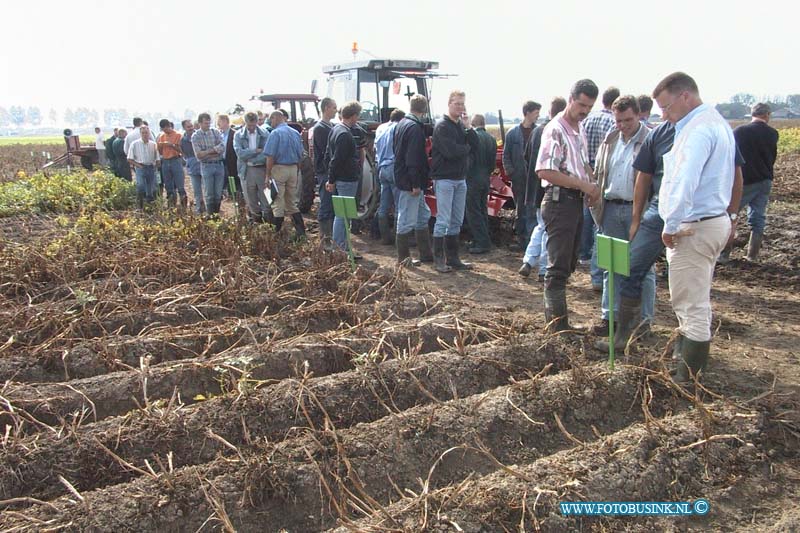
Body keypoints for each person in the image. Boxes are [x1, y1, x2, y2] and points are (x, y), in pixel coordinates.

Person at [653, 72, 736, 383]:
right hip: (712, 222)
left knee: (691, 303)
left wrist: (671, 224)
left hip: (695, 226)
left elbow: (686, 181)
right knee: (693, 298)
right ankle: (687, 366)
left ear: (684, 96)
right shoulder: (715, 123)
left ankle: (688, 377)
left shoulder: (698, 131)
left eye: (666, 107)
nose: (664, 115)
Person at [537, 79, 601, 332]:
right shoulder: (555, 129)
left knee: (568, 262)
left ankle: (559, 324)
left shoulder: (579, 128)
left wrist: (592, 182)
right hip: (559, 200)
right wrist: (584, 186)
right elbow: (545, 171)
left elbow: (582, 163)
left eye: (589, 106)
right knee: (558, 267)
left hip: (572, 201)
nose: (584, 110)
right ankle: (557, 327)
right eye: (581, 104)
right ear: (571, 98)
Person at [588, 95, 655, 336]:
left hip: (640, 210)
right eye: (618, 120)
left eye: (627, 120)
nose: (623, 125)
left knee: (642, 268)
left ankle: (643, 321)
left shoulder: (650, 139)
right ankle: (610, 317)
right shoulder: (611, 139)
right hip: (611, 208)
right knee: (611, 265)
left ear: (638, 115)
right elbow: (600, 172)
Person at [519, 97, 567, 281]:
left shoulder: (536, 131)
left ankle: (529, 260)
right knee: (550, 229)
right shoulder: (558, 132)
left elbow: (526, 157)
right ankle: (544, 269)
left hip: (535, 188)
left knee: (541, 226)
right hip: (551, 188)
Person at [430, 90, 478, 272]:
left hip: (460, 178)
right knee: (443, 219)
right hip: (445, 179)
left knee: (457, 220)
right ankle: (439, 259)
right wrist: (466, 148)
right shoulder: (442, 126)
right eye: (457, 103)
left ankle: (453, 258)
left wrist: (468, 128)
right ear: (449, 104)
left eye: (462, 104)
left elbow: (475, 146)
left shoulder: (460, 126)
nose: (460, 107)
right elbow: (451, 152)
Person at [579, 87, 620, 284]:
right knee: (601, 225)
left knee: (587, 215)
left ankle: (583, 253)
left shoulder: (586, 120)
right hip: (603, 175)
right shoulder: (613, 122)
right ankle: (598, 273)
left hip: (587, 172)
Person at [731, 102, 779, 262]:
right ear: (767, 115)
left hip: (745, 180)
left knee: (731, 214)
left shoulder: (740, 131)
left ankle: (723, 253)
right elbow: (772, 156)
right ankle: (752, 255)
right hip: (765, 180)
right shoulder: (773, 133)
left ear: (752, 114)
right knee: (758, 217)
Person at [394, 94, 434, 266]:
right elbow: (413, 159)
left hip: (404, 178)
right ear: (424, 109)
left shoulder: (401, 124)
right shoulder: (415, 129)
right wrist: (415, 184)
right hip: (410, 182)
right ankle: (403, 259)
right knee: (406, 219)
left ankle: (426, 254)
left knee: (422, 215)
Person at [503, 101, 541, 250]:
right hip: (519, 178)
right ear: (527, 113)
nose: (538, 116)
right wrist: (511, 173)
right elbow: (506, 156)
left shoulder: (538, 132)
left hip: (534, 179)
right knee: (520, 210)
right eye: (536, 112)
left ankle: (531, 243)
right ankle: (521, 240)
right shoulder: (513, 133)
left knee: (532, 210)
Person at [325, 101, 362, 254]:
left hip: (342, 178)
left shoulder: (335, 130)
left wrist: (331, 178)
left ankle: (342, 245)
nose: (358, 119)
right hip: (346, 179)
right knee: (343, 215)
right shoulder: (345, 135)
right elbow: (337, 160)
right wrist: (331, 179)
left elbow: (329, 155)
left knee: (343, 214)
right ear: (353, 116)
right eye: (358, 116)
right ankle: (340, 247)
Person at [264, 110, 305, 238]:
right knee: (291, 201)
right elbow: (300, 155)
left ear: (275, 118)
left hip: (279, 168)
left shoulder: (275, 133)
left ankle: (276, 233)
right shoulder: (295, 133)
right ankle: (300, 232)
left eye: (271, 120)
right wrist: (296, 171)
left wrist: (267, 175)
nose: (271, 123)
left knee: (277, 201)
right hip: (293, 168)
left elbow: (270, 156)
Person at [464, 113, 497, 254]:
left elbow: (469, 160)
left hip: (473, 178)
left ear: (473, 123)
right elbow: (492, 163)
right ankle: (483, 239)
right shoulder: (492, 139)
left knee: (473, 211)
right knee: (483, 209)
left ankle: (482, 242)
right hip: (485, 178)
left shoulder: (473, 137)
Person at [234, 111, 272, 223]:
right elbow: (240, 153)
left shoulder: (265, 134)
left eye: (253, 125)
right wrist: (255, 151)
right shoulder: (238, 135)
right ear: (245, 122)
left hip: (262, 170)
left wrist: (251, 158)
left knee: (266, 199)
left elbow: (267, 154)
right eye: (249, 125)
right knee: (251, 200)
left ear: (257, 122)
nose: (251, 127)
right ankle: (256, 223)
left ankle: (269, 224)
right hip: (246, 170)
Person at [375, 108, 405, 245]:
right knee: (399, 205)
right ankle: (398, 238)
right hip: (394, 167)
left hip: (381, 168)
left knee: (384, 205)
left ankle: (385, 238)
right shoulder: (398, 128)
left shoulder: (381, 128)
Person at [312, 97, 337, 248]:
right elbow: (326, 153)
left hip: (331, 171)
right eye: (334, 107)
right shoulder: (320, 129)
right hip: (325, 172)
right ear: (326, 108)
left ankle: (331, 236)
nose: (336, 110)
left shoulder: (332, 126)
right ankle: (324, 239)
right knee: (326, 203)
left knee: (332, 204)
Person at [191, 113, 226, 217]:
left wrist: (206, 152)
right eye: (206, 123)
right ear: (200, 123)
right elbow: (199, 155)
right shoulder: (196, 136)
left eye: (209, 122)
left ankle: (216, 214)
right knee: (209, 193)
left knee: (218, 192)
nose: (208, 125)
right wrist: (214, 151)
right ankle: (211, 216)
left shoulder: (216, 132)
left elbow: (222, 147)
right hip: (206, 166)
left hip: (219, 165)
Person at [127, 126, 160, 208]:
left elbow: (157, 158)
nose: (145, 134)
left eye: (147, 133)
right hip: (140, 167)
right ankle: (140, 206)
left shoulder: (153, 144)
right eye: (143, 133)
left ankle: (151, 207)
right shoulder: (135, 144)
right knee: (141, 186)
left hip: (150, 167)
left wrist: (156, 165)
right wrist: (138, 165)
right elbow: (129, 158)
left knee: (151, 188)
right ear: (140, 134)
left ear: (149, 134)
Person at [156, 119, 187, 208]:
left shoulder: (178, 135)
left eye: (166, 128)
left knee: (180, 184)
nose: (165, 131)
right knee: (168, 185)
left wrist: (171, 145)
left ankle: (183, 206)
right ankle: (171, 206)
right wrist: (160, 146)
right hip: (165, 161)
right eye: (163, 129)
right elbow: (160, 152)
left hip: (175, 160)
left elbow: (182, 151)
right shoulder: (162, 136)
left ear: (169, 126)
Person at [218, 114, 243, 207]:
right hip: (222, 163)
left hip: (233, 164)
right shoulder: (219, 134)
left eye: (220, 121)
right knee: (224, 184)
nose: (218, 124)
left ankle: (239, 204)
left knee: (235, 183)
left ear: (226, 122)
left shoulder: (235, 134)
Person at [180, 120, 204, 214]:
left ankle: (208, 209)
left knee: (206, 189)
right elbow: (184, 154)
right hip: (193, 168)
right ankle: (199, 209)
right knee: (197, 190)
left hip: (203, 165)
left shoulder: (199, 136)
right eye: (188, 127)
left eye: (191, 126)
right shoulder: (183, 140)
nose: (191, 128)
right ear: (184, 128)